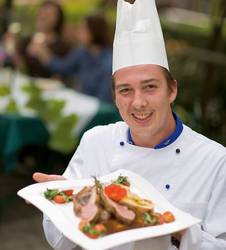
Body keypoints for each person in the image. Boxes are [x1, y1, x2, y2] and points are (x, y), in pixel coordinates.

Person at [33, 0, 226, 249]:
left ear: (172, 90)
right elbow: (59, 242)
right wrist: (63, 204)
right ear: (114, 98)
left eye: (150, 87)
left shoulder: (215, 160)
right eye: (125, 90)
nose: (138, 102)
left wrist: (179, 232)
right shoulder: (96, 141)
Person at [28, 12, 113, 103]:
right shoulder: (82, 52)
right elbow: (63, 67)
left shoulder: (108, 62)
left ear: (94, 32)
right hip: (83, 103)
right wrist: (43, 53)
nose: (78, 32)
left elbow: (104, 101)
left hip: (99, 111)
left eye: (82, 29)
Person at [13, 0, 71, 78]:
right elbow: (20, 70)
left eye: (48, 14)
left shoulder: (63, 46)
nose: (43, 17)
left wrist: (44, 54)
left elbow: (62, 75)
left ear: (58, 20)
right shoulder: (25, 41)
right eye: (42, 13)